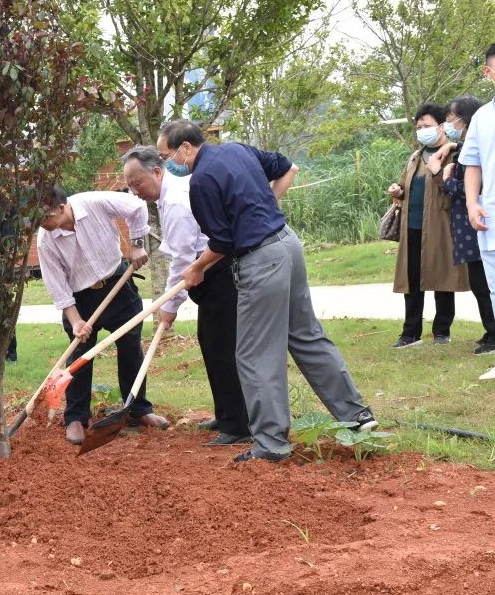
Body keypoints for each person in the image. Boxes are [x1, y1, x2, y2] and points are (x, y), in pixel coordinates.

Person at [158, 119, 377, 463]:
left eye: (166, 155)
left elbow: (224, 241)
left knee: (254, 354)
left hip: (260, 259)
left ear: (185, 147)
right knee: (306, 334)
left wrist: (197, 267)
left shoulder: (200, 181)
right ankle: (357, 414)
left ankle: (271, 444)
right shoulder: (237, 149)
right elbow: (288, 167)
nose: (167, 165)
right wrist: (267, 208)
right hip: (288, 244)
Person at [122, 146, 250, 446]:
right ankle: (226, 414)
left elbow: (182, 261)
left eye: (136, 182)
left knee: (222, 349)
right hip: (205, 274)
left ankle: (239, 425)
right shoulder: (169, 196)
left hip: (218, 274)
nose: (134, 191)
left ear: (156, 172)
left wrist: (169, 306)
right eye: (128, 185)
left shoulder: (177, 201)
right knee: (210, 342)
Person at [36, 185, 169, 446]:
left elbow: (137, 207)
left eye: (46, 218)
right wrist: (75, 321)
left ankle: (138, 410)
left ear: (62, 208)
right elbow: (57, 284)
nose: (43, 224)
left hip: (118, 283)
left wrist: (138, 245)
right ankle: (76, 417)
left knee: (131, 348)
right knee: (80, 355)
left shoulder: (93, 202)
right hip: (80, 299)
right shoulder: (45, 239)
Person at [385, 103, 468, 348]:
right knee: (411, 281)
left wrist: (436, 172)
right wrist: (397, 190)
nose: (422, 130)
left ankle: (442, 331)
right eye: (419, 126)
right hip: (412, 227)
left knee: (443, 278)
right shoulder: (415, 156)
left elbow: (457, 190)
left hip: (440, 226)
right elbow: (406, 186)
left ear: (442, 126)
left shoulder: (454, 156)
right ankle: (410, 333)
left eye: (427, 125)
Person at [436, 96, 495, 355]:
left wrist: (447, 180)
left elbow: (478, 185)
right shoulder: (463, 147)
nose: (449, 126)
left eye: (451, 121)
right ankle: (490, 330)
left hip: (479, 222)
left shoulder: (476, 148)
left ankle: (493, 333)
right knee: (481, 284)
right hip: (468, 223)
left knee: (484, 284)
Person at [463, 43, 495, 380]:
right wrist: (473, 202)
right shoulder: (483, 117)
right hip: (491, 216)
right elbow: (472, 164)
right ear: (489, 73)